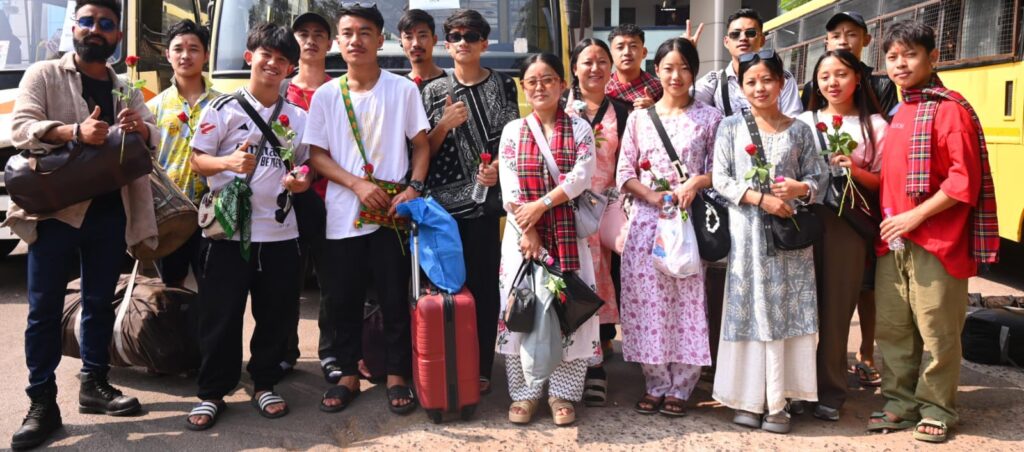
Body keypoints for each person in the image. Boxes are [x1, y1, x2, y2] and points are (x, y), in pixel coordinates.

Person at [4, 0, 158, 448]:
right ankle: (42, 403)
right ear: (73, 27)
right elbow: (21, 128)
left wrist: (140, 128)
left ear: (117, 37)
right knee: (44, 310)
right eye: (87, 21)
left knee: (98, 303)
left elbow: (154, 137)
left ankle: (94, 384)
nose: (95, 29)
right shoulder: (44, 74)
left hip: (110, 211)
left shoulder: (125, 87)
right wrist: (74, 132)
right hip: (55, 211)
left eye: (106, 24)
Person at [868, 21, 998, 444]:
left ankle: (938, 408)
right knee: (894, 329)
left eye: (910, 55)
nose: (900, 64)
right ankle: (900, 402)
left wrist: (914, 217)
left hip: (937, 242)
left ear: (932, 58)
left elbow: (963, 182)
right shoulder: (901, 110)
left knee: (937, 331)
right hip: (893, 241)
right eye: (892, 57)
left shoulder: (949, 109)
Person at [304, 4, 430, 415]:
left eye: (364, 32)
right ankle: (347, 374)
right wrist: (356, 184)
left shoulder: (402, 90)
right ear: (338, 43)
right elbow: (317, 155)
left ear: (380, 39)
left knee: (394, 296)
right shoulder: (327, 95)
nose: (355, 40)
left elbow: (421, 145)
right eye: (347, 33)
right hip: (343, 214)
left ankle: (396, 374)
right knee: (343, 298)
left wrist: (413, 188)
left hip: (392, 214)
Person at [185, 22, 311, 430]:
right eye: (265, 55)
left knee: (275, 315)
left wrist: (301, 180)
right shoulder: (222, 108)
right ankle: (211, 393)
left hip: (280, 234)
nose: (272, 64)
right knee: (220, 316)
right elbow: (197, 160)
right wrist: (228, 162)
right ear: (249, 57)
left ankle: (264, 384)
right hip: (227, 234)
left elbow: (304, 165)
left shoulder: (298, 117)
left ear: (291, 68)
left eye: (282, 59)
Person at [710, 50, 827, 434]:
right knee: (749, 310)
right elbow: (720, 179)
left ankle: (780, 402)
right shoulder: (730, 127)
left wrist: (800, 188)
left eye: (767, 80)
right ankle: (747, 399)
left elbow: (819, 178)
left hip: (790, 242)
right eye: (751, 82)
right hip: (746, 239)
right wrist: (761, 200)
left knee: (786, 313)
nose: (759, 88)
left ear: (781, 83)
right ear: (741, 88)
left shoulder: (800, 130)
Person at [616, 37, 721, 417]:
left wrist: (695, 183)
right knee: (648, 304)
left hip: (688, 223)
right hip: (647, 224)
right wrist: (651, 195)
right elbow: (624, 171)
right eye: (668, 68)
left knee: (687, 303)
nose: (676, 76)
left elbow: (720, 171)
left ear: (694, 72)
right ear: (656, 71)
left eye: (684, 68)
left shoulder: (710, 118)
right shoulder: (640, 119)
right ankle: (655, 383)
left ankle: (682, 386)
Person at [496, 53, 599, 426]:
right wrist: (529, 229)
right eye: (532, 81)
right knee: (522, 310)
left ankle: (562, 394)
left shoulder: (580, 129)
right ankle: (525, 393)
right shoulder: (513, 130)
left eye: (548, 79)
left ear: (562, 84)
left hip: (567, 234)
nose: (540, 87)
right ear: (524, 87)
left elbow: (581, 175)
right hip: (523, 238)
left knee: (569, 311)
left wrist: (540, 206)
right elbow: (509, 184)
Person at [420, 8, 519, 395]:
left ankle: (480, 368)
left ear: (484, 43)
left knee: (483, 288)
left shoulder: (504, 85)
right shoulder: (431, 90)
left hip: (483, 206)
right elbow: (422, 152)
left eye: (471, 36)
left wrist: (496, 170)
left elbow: (511, 142)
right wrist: (444, 125)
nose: (463, 42)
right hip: (442, 210)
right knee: (444, 289)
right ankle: (446, 364)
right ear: (446, 45)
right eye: (456, 36)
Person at [801, 12, 897, 389]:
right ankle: (799, 384)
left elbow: (884, 182)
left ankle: (832, 388)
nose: (832, 82)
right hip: (807, 222)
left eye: (841, 74)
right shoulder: (803, 123)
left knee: (839, 308)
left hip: (849, 227)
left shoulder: (877, 126)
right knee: (804, 306)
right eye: (825, 76)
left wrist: (854, 169)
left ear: (858, 78)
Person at [562, 37, 629, 407]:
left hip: (606, 211)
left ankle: (597, 365)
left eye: (602, 61)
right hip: (566, 208)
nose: (595, 68)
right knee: (572, 280)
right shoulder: (560, 108)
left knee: (603, 280)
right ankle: (568, 363)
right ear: (574, 68)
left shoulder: (623, 110)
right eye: (587, 61)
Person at [280, 10, 336, 381]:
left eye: (319, 34)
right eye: (303, 33)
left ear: (330, 44)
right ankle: (284, 352)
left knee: (333, 282)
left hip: (331, 197)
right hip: (288, 199)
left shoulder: (340, 90)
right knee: (286, 281)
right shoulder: (281, 89)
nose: (311, 40)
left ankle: (331, 353)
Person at [147, 19, 220, 288]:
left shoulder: (223, 104)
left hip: (213, 210)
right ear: (168, 54)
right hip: (170, 213)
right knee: (172, 287)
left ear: (206, 55)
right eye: (178, 49)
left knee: (213, 285)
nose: (185, 55)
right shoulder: (153, 107)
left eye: (193, 49)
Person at [694, 8, 802, 117]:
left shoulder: (782, 78)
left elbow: (793, 122)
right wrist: (687, 54)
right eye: (735, 34)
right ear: (726, 42)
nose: (743, 38)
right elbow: (685, 105)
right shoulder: (714, 81)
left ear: (762, 40)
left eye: (750, 33)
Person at [800, 11, 898, 116]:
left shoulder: (882, 85)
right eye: (836, 36)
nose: (843, 41)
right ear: (827, 43)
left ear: (866, 40)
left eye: (851, 35)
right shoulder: (812, 88)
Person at [605, 24, 662, 109]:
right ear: (611, 55)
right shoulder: (603, 88)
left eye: (633, 46)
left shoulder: (659, 88)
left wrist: (653, 110)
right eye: (620, 47)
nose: (627, 52)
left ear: (644, 52)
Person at [399, 9, 445, 89]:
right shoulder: (398, 88)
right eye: (409, 37)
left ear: (434, 40)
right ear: (401, 42)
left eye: (422, 36)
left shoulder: (453, 83)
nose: (416, 44)